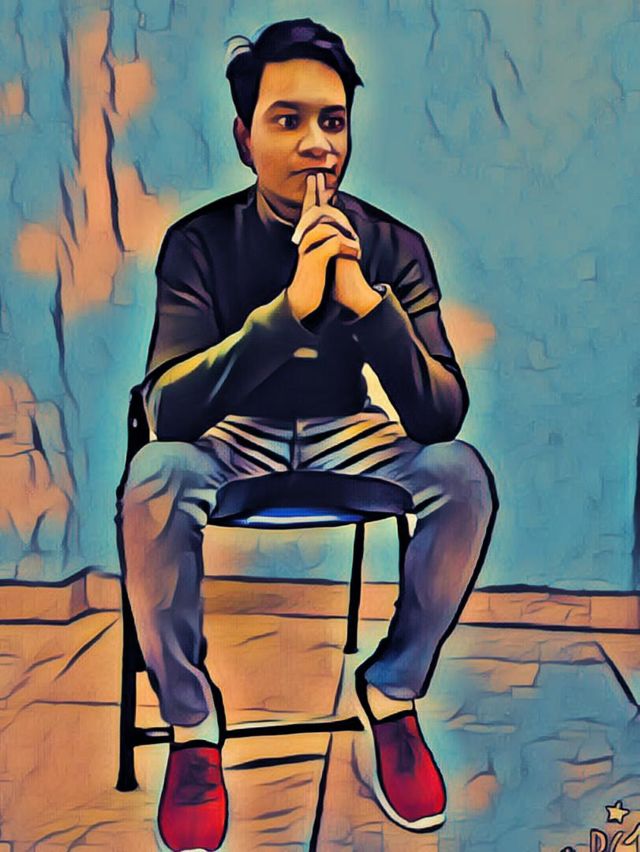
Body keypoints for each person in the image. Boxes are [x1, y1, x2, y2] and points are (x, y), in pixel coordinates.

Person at [115, 17, 499, 852]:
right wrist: (289, 309)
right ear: (244, 139)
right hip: (231, 437)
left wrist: (364, 301)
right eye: (287, 120)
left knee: (462, 475)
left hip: (346, 432)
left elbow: (439, 415)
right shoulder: (199, 244)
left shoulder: (393, 245)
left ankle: (392, 692)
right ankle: (192, 727)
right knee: (153, 476)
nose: (317, 143)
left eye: (333, 121)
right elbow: (167, 412)